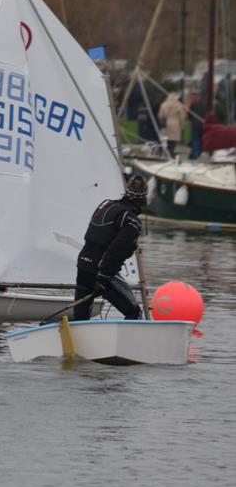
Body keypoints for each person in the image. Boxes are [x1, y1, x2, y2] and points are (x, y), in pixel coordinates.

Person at [73, 175, 148, 322]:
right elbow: (117, 251)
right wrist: (104, 277)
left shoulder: (105, 205)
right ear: (143, 199)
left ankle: (78, 342)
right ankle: (128, 344)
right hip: (101, 271)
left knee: (80, 319)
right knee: (134, 313)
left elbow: (92, 235)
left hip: (83, 264)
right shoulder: (132, 221)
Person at [158, 91, 186, 158]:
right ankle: (170, 154)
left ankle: (164, 154)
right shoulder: (179, 105)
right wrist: (182, 125)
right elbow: (182, 117)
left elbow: (160, 115)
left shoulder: (164, 104)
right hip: (175, 124)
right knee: (173, 141)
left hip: (166, 124)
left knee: (165, 140)